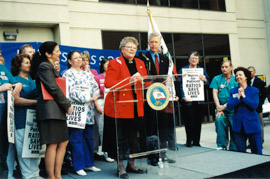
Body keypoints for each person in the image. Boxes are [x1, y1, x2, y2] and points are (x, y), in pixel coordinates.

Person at [103, 36, 147, 179]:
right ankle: (120, 166)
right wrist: (129, 80)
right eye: (129, 47)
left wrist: (151, 83)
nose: (132, 50)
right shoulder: (115, 63)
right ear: (122, 49)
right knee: (120, 139)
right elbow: (109, 83)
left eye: (134, 47)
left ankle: (131, 164)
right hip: (119, 108)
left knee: (134, 138)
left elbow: (146, 82)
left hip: (136, 107)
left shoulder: (140, 63)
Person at [31, 41, 73, 179]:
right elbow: (53, 88)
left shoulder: (49, 66)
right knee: (53, 143)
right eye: (57, 50)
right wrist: (67, 104)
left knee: (63, 142)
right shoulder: (44, 67)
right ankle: (52, 176)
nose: (60, 53)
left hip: (56, 109)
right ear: (48, 54)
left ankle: (57, 175)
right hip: (50, 110)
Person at [139, 32, 176, 165]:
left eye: (156, 42)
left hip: (161, 97)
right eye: (152, 42)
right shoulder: (142, 57)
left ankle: (163, 153)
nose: (154, 44)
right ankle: (153, 156)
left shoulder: (164, 58)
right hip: (149, 97)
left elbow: (165, 77)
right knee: (151, 127)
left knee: (163, 126)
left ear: (160, 44)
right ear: (148, 43)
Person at [63, 51, 101, 176]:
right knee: (76, 138)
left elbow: (95, 86)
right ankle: (78, 165)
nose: (79, 60)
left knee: (89, 137)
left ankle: (89, 163)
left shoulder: (87, 74)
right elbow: (71, 91)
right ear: (69, 61)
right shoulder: (67, 74)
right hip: (76, 110)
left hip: (89, 110)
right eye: (75, 58)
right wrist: (86, 98)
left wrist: (95, 95)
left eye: (80, 57)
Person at [9, 54, 39, 178]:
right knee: (23, 152)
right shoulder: (15, 80)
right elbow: (16, 100)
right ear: (19, 65)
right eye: (26, 62)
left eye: (29, 62)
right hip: (21, 120)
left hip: (35, 120)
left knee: (35, 150)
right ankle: (28, 176)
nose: (29, 64)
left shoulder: (33, 80)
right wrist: (36, 103)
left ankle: (35, 174)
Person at [227, 67, 262, 155]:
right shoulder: (233, 91)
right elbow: (229, 106)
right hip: (238, 126)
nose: (238, 77)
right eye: (236, 75)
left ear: (246, 77)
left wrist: (244, 97)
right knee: (241, 154)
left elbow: (254, 105)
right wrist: (238, 98)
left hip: (252, 125)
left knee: (257, 153)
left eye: (240, 75)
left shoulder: (254, 90)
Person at [178, 51, 209, 147]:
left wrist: (204, 80)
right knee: (188, 121)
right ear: (188, 60)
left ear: (198, 60)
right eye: (192, 58)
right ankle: (189, 141)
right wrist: (183, 97)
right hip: (187, 101)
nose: (194, 60)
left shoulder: (201, 70)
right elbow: (179, 85)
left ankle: (196, 142)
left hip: (198, 101)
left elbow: (208, 84)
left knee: (197, 122)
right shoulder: (183, 70)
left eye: (196, 58)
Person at [210, 60, 238, 151]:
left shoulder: (236, 79)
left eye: (226, 67)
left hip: (233, 109)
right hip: (221, 109)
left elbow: (237, 96)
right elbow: (215, 93)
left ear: (231, 67)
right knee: (219, 120)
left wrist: (225, 106)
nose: (224, 69)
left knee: (235, 127)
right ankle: (221, 145)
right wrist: (219, 108)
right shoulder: (217, 79)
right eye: (222, 67)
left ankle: (234, 147)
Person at [0, 64, 22, 178]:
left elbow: (15, 82)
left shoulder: (2, 68)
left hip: (4, 116)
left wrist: (18, 85)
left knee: (3, 149)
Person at [93, 58, 114, 162]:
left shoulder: (114, 77)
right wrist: (97, 106)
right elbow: (94, 93)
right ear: (103, 66)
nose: (109, 66)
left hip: (112, 104)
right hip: (100, 104)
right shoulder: (97, 77)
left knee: (110, 128)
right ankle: (105, 153)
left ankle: (110, 151)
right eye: (107, 64)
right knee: (102, 129)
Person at [247, 66, 265, 145]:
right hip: (248, 108)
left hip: (257, 107)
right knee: (249, 125)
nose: (250, 73)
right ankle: (251, 143)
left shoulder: (259, 81)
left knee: (259, 125)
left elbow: (263, 94)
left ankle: (260, 141)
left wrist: (259, 103)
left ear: (254, 72)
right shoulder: (246, 81)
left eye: (251, 71)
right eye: (248, 71)